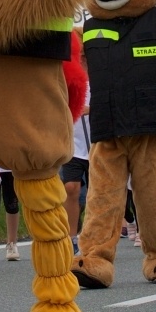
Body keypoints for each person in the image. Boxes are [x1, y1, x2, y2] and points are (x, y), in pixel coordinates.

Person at [62, 104, 91, 255]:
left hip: (96, 143)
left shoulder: (96, 81)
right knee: (71, 188)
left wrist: (91, 109)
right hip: (72, 145)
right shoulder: (66, 80)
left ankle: (94, 237)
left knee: (96, 193)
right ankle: (71, 239)